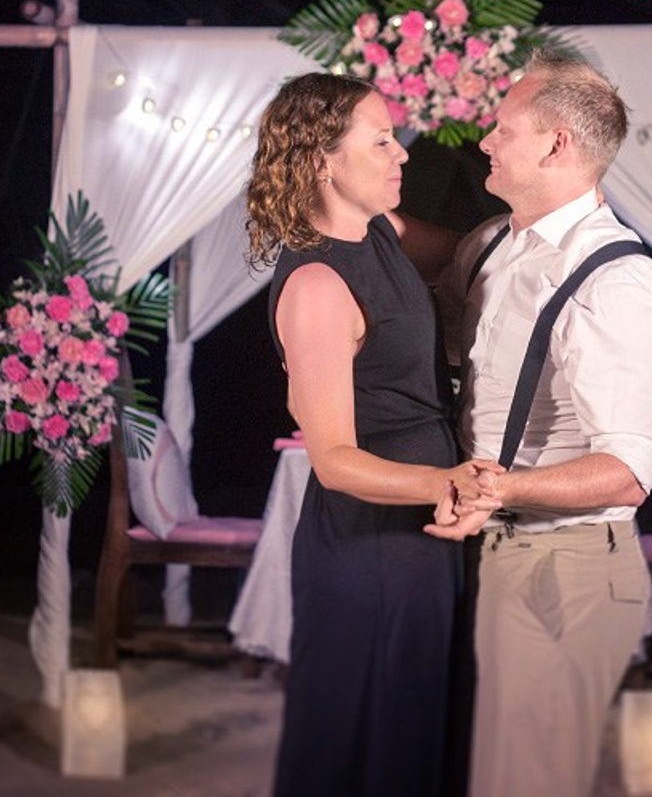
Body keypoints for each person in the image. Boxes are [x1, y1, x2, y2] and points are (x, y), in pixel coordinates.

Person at [245, 72, 500, 797]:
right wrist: (447, 482)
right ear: (324, 159)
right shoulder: (318, 287)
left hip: (422, 537)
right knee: (368, 743)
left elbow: (471, 256)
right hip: (370, 544)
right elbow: (332, 461)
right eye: (382, 140)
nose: (403, 155)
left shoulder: (384, 234)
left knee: (418, 735)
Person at [428, 49, 652, 797]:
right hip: (497, 553)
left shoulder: (617, 279)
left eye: (502, 129)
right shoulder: (494, 244)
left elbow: (627, 473)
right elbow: (417, 262)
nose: (485, 143)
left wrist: (496, 491)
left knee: (529, 779)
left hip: (564, 565)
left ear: (556, 144)